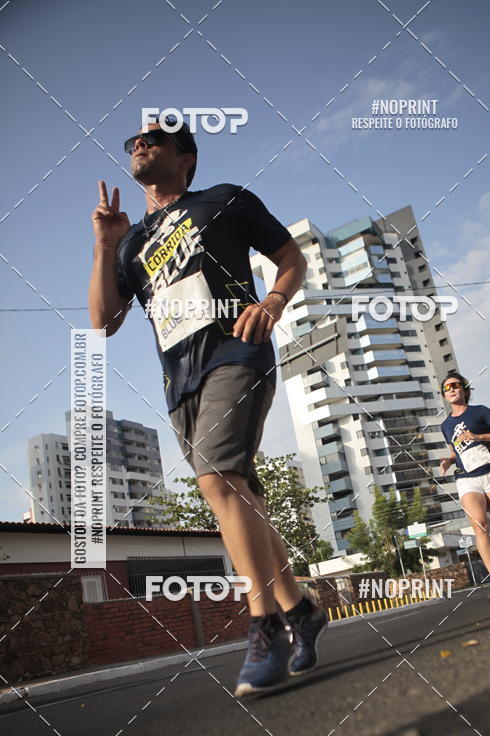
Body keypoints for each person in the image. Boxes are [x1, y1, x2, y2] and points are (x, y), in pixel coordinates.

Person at [88, 115, 327, 697]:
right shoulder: (132, 245)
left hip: (237, 354)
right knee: (235, 490)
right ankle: (301, 609)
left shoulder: (224, 200)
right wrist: (106, 244)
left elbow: (290, 257)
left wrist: (272, 300)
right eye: (134, 140)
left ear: (185, 158)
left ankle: (263, 623)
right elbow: (103, 320)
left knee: (217, 477)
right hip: (180, 382)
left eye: (156, 137)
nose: (141, 143)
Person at [440, 373, 490, 600]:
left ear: (464, 389)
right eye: (447, 388)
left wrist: (478, 436)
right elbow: (458, 453)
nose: (452, 390)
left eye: (456, 386)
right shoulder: (445, 425)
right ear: (445, 395)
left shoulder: (480, 411)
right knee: (480, 525)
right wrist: (448, 460)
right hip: (467, 478)